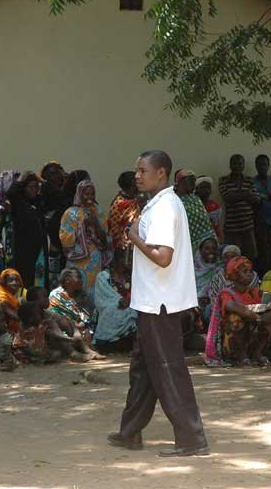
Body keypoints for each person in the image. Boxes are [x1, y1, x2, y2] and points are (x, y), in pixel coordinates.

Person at [109, 149, 208, 457]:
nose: (137, 175)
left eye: (142, 170)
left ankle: (191, 438)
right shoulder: (157, 204)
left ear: (161, 172)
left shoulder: (166, 207)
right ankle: (130, 432)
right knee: (143, 369)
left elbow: (163, 258)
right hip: (152, 301)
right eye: (136, 170)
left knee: (167, 369)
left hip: (161, 303)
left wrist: (133, 236)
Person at [205, 256, 271, 367]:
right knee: (235, 318)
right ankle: (241, 355)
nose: (250, 274)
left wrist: (270, 313)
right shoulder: (227, 293)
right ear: (235, 275)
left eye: (250, 271)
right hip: (232, 342)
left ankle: (257, 353)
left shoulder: (254, 292)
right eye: (245, 271)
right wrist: (256, 316)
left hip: (251, 336)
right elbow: (231, 306)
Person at [59, 179, 109, 297]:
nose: (90, 197)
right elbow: (65, 239)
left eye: (92, 194)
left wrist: (95, 224)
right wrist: (82, 226)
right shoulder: (70, 213)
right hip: (77, 261)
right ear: (79, 194)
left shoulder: (98, 211)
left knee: (93, 292)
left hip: (95, 260)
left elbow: (105, 240)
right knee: (76, 290)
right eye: (86, 194)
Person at [93, 247, 138, 352]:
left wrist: (130, 301)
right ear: (115, 260)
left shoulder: (134, 275)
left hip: (131, 306)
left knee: (138, 312)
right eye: (124, 258)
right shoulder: (103, 276)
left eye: (130, 258)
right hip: (111, 308)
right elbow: (101, 301)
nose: (128, 261)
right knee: (112, 311)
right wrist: (119, 301)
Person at [8, 172, 48, 288]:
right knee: (25, 279)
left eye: (36, 187)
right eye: (30, 187)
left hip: (40, 249)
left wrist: (42, 180)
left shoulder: (39, 203)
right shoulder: (19, 204)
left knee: (39, 280)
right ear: (24, 188)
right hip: (24, 250)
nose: (34, 190)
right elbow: (11, 193)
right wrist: (21, 179)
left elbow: (51, 193)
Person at [218, 154, 259, 259]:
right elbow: (227, 197)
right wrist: (246, 194)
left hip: (248, 226)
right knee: (232, 258)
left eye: (240, 163)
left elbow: (256, 199)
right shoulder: (223, 180)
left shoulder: (249, 180)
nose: (237, 166)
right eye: (235, 163)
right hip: (231, 228)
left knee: (251, 257)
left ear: (243, 165)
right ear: (230, 165)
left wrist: (236, 196)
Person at [48, 267, 94, 345]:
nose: (81, 281)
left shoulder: (83, 295)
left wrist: (83, 323)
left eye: (81, 278)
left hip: (81, 327)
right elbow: (57, 315)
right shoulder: (55, 295)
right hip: (63, 328)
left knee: (87, 332)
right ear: (67, 280)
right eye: (78, 277)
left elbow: (87, 313)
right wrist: (75, 325)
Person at [174, 170, 215, 252]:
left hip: (208, 240)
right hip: (188, 243)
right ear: (180, 182)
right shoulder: (174, 200)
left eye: (194, 181)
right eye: (191, 181)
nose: (194, 184)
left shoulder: (194, 198)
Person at [107, 171, 140, 250]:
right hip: (123, 244)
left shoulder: (123, 198)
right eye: (137, 182)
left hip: (127, 241)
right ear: (132, 186)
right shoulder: (123, 204)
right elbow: (115, 229)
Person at [193, 237, 219, 321]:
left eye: (214, 248)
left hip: (212, 304)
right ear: (200, 250)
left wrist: (210, 298)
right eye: (207, 248)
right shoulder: (192, 268)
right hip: (194, 304)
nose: (211, 251)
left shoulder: (219, 267)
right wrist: (198, 299)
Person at [194, 176, 223, 243]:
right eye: (203, 187)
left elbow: (215, 225)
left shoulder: (215, 206)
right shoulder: (193, 206)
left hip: (213, 239)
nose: (206, 190)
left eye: (208, 187)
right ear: (196, 189)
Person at [0, 268, 26, 334]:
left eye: (17, 280)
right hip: (5, 329)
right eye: (10, 280)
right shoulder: (2, 293)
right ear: (4, 282)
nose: (14, 283)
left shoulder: (23, 292)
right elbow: (7, 310)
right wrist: (26, 320)